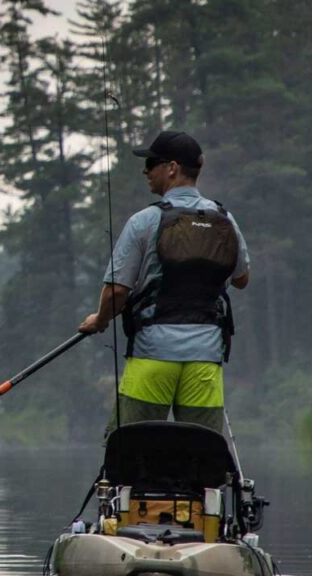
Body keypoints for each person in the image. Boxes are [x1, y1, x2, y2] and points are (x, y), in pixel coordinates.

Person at [79, 130, 250, 434]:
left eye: (152, 163)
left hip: (152, 357)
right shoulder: (226, 219)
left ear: (172, 168)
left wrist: (100, 320)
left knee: (130, 454)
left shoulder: (145, 221)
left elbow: (117, 292)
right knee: (200, 458)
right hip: (205, 359)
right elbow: (241, 278)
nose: (146, 171)